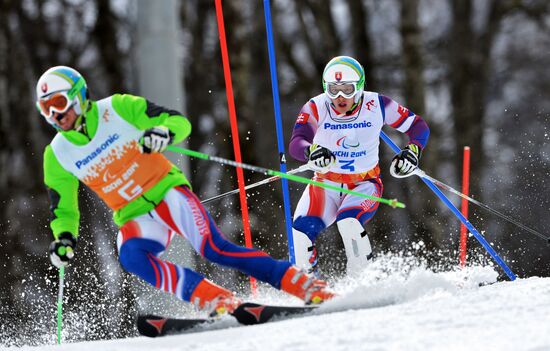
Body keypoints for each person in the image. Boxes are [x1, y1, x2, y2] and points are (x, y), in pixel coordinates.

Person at [38, 66, 335, 316]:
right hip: (133, 214)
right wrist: (64, 238)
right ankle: (214, 298)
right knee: (131, 256)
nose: (55, 114)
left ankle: (301, 284)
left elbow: (178, 122)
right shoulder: (57, 154)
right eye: (46, 108)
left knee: (214, 248)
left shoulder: (116, 108)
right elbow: (63, 207)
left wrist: (162, 133)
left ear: (79, 95)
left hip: (168, 192)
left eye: (60, 103)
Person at [289, 56, 429, 275]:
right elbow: (297, 142)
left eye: (347, 89)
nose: (340, 97)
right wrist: (311, 151)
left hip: (364, 184)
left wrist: (412, 151)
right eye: (334, 90)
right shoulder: (316, 106)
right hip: (326, 184)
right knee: (300, 232)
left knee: (349, 223)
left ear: (360, 87)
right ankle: (310, 287)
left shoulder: (378, 105)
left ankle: (360, 283)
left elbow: (418, 126)